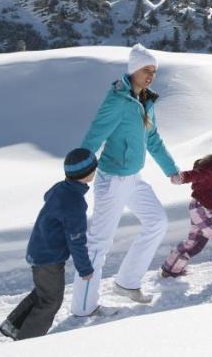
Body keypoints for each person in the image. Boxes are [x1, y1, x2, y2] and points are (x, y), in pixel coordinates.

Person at [70, 44, 181, 315]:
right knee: (98, 243)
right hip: (112, 180)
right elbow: (94, 137)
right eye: (146, 70)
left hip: (133, 178)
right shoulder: (117, 101)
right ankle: (84, 307)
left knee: (157, 221)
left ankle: (127, 282)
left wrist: (171, 170)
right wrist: (76, 175)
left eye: (154, 71)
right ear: (133, 70)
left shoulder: (145, 100)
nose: (151, 75)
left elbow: (152, 139)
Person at [0, 148, 97, 340]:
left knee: (43, 291)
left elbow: (50, 202)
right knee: (51, 300)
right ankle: (27, 340)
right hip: (49, 258)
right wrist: (85, 269)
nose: (95, 171)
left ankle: (13, 326)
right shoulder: (75, 202)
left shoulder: (61, 188)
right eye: (94, 169)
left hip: (38, 249)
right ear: (86, 174)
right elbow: (76, 240)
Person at [160, 132, 212, 282]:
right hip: (203, 208)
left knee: (195, 243)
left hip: (198, 207)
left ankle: (170, 269)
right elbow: (199, 174)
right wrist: (182, 177)